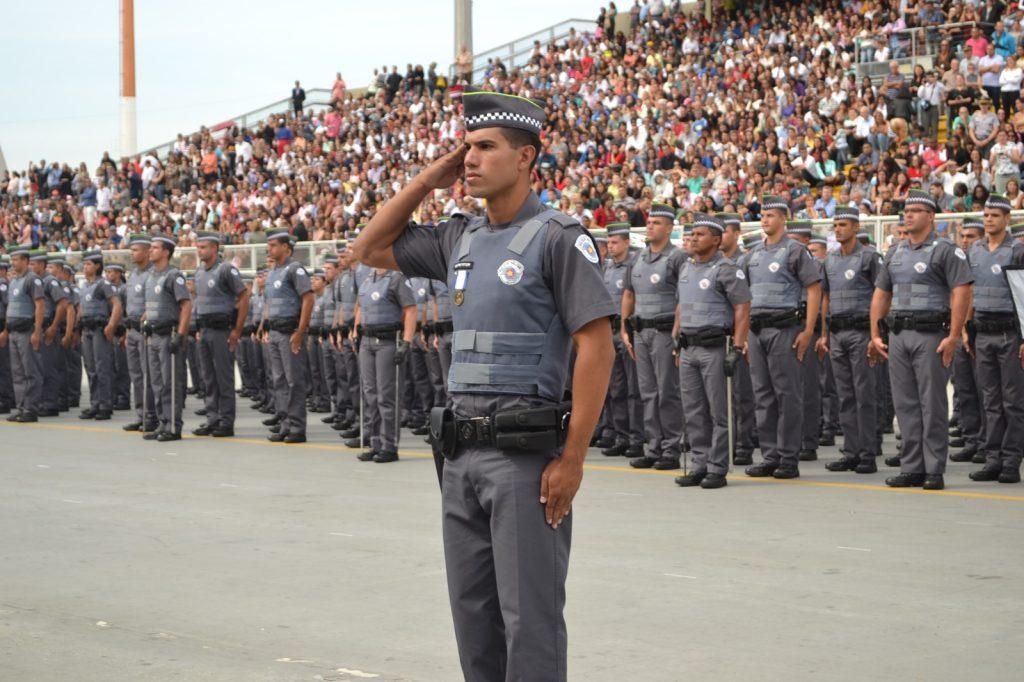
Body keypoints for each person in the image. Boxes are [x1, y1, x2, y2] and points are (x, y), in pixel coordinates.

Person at [351, 90, 615, 682]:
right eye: (466, 148)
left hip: (523, 459)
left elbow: (597, 348)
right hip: (459, 456)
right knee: (473, 615)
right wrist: (430, 176)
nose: (470, 159)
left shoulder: (558, 237)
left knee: (530, 620)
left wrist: (573, 459)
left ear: (525, 159)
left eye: (485, 147)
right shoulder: (459, 238)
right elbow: (369, 248)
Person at [869, 189, 973, 490]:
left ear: (931, 216)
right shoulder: (896, 252)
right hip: (899, 335)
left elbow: (961, 291)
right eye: (906, 209)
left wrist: (954, 335)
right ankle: (911, 466)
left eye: (915, 210)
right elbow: (881, 294)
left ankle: (934, 468)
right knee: (905, 405)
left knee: (933, 404)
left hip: (931, 335)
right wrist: (875, 334)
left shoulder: (945, 250)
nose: (908, 214)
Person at [742, 196, 822, 479]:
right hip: (757, 330)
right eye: (763, 215)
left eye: (771, 215)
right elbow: (742, 296)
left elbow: (813, 289)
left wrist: (808, 330)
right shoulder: (752, 255)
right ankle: (770, 455)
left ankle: (788, 457)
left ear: (783, 220)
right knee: (763, 394)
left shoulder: (795, 251)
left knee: (787, 394)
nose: (765, 220)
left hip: (785, 328)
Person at [671, 214, 751, 489]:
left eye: (701, 234)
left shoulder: (727, 269)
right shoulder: (686, 268)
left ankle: (717, 467)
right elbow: (681, 305)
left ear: (717, 240)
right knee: (693, 410)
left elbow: (742, 307)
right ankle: (699, 463)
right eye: (692, 234)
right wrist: (676, 335)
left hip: (714, 347)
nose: (693, 238)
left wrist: (738, 347)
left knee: (718, 411)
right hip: (689, 347)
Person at [620, 202, 687, 469]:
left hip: (663, 331)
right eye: (649, 222)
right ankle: (654, 445)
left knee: (666, 391)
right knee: (647, 392)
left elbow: (685, 296)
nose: (650, 225)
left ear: (670, 228)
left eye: (657, 223)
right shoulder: (637, 258)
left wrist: (677, 331)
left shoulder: (677, 257)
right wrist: (625, 328)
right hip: (641, 331)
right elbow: (628, 294)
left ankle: (671, 447)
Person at [966, 196, 1024, 483]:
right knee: (988, 399)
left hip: (1009, 333)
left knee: (1012, 401)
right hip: (983, 332)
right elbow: (968, 291)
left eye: (994, 215)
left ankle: (1011, 462)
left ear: (1007, 219)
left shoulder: (1017, 250)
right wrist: (966, 327)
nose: (988, 220)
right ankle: (993, 459)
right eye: (986, 215)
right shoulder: (974, 250)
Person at [820, 206, 882, 473]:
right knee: (845, 395)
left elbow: (882, 296)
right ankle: (852, 450)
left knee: (864, 394)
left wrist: (876, 335)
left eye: (843, 224)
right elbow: (826, 297)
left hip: (861, 332)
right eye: (835, 224)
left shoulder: (869, 258)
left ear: (856, 227)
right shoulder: (830, 260)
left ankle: (868, 453)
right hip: (837, 333)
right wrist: (823, 334)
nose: (838, 229)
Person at [351, 264, 417, 462]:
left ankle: (389, 445)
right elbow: (360, 307)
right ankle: (375, 443)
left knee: (386, 396)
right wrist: (356, 331)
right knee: (370, 394)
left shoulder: (397, 278)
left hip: (387, 341)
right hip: (367, 341)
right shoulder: (366, 279)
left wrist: (406, 341)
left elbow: (411, 310)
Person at [191, 230, 250, 438]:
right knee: (208, 377)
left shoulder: (226, 270)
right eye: (198, 247)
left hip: (221, 330)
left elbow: (243, 297)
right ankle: (212, 418)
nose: (200, 250)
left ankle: (226, 421)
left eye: (204, 247)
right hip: (205, 330)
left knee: (223, 377)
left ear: (215, 248)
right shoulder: (198, 272)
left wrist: (236, 330)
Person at [263, 228, 314, 444]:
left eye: (274, 245)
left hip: (289, 332)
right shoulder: (273, 271)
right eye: (269, 245)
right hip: (275, 332)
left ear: (286, 247)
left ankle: (297, 427)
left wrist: (300, 332)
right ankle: (285, 424)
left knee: (294, 381)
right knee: (280, 380)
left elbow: (308, 299)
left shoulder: (295, 269)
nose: (270, 249)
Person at [598, 223, 644, 458]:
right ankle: (621, 434)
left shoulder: (635, 265)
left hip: (629, 332)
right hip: (609, 331)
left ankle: (637, 437)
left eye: (615, 242)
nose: (611, 246)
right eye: (609, 242)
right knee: (616, 389)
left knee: (634, 390)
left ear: (627, 242)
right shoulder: (606, 268)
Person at [142, 233, 191, 442]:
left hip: (168, 334)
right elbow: (151, 306)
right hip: (153, 335)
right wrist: (145, 322)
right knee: (157, 382)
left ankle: (173, 426)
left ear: (165, 252)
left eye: (155, 247)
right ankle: (162, 422)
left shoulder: (174, 275)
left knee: (170, 382)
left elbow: (186, 305)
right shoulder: (151, 275)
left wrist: (180, 335)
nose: (150, 250)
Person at [77, 252, 122, 420]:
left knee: (102, 367)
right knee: (91, 368)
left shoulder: (103, 284)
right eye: (84, 264)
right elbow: (81, 308)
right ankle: (95, 403)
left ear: (97, 266)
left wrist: (111, 325)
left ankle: (105, 405)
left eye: (88, 264)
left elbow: (117, 305)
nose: (85, 267)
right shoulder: (84, 285)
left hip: (99, 329)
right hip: (87, 329)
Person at [1, 247, 44, 422]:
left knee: (30, 371)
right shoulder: (13, 281)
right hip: (13, 331)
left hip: (27, 331)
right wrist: (5, 331)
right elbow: (9, 308)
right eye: (12, 260)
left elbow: (40, 306)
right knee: (17, 372)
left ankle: (31, 409)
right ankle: (21, 408)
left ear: (26, 261)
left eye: (17, 259)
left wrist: (37, 331)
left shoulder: (32, 280)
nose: (13, 263)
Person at [122, 234, 156, 433]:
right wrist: (128, 330)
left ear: (146, 251)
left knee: (147, 374)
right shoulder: (133, 274)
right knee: (136, 375)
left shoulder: (153, 274)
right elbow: (130, 305)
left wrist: (144, 320)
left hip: (146, 330)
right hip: (132, 331)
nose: (132, 254)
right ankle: (141, 414)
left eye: (135, 250)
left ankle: (151, 415)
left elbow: (153, 304)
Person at [29, 249, 67, 417]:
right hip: (37, 327)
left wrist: (53, 327)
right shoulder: (33, 280)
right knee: (37, 367)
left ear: (42, 265)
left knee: (48, 367)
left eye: (33, 264)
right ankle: (41, 401)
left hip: (48, 327)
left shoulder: (49, 281)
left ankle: (50, 403)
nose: (31, 266)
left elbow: (62, 304)